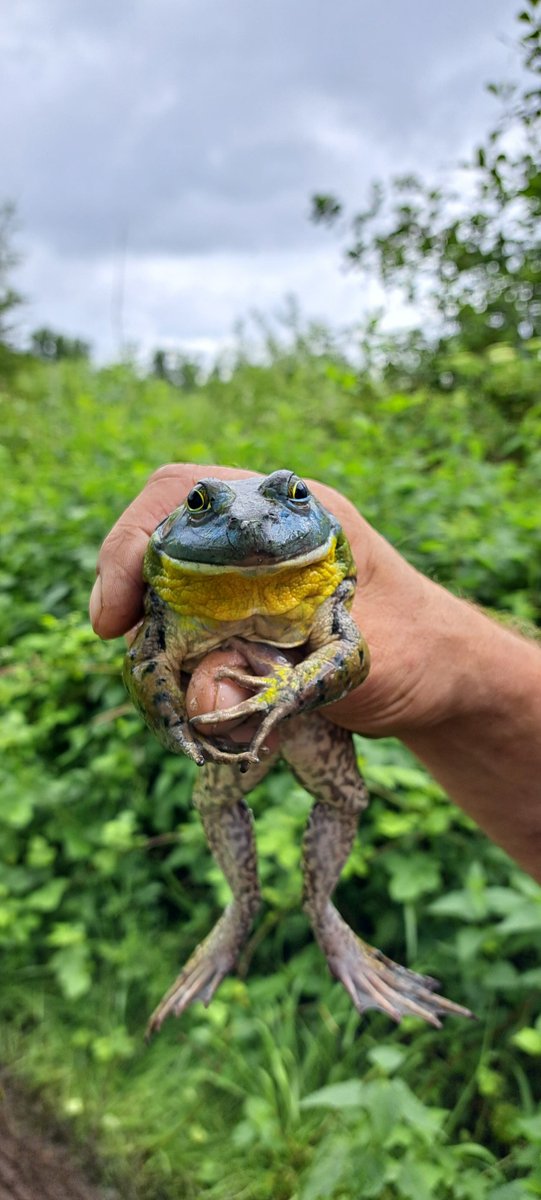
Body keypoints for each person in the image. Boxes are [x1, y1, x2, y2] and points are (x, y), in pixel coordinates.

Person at [90, 463, 541, 882]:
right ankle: (242, 912)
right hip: (231, 738)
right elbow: (146, 665)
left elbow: (349, 652)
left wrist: (290, 687)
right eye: (200, 506)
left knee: (342, 799)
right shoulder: (170, 595)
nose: (252, 527)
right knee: (213, 800)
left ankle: (319, 917)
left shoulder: (325, 583)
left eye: (295, 495)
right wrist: (176, 732)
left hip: (305, 720)